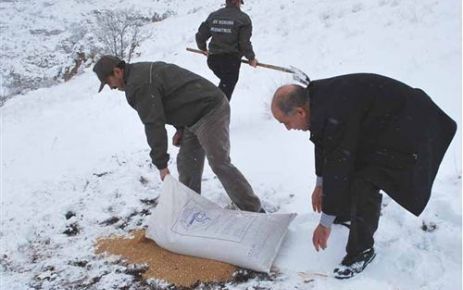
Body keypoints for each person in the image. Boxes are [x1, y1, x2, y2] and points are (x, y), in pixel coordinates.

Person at [270, 73, 456, 279]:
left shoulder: (333, 113)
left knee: (366, 178)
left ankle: (362, 251)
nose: (287, 128)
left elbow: (338, 165)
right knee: (353, 164)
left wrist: (325, 223)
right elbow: (324, 143)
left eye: (285, 122)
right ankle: (346, 212)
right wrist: (320, 183)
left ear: (300, 112)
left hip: (413, 126)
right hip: (387, 122)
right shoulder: (318, 101)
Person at [93, 55, 264, 213]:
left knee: (219, 162)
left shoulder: (140, 84)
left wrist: (162, 165)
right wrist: (180, 128)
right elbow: (173, 97)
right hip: (192, 116)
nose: (112, 87)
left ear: (117, 71)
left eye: (109, 83)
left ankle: (254, 210)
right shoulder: (138, 74)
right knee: (188, 163)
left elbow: (154, 124)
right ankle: (191, 210)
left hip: (210, 109)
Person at [195, 0, 257, 101]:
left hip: (213, 60)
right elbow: (244, 43)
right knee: (224, 93)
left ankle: (210, 106)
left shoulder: (214, 16)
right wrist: (251, 58)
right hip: (230, 62)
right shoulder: (243, 19)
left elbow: (200, 36)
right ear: (237, 2)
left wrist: (203, 48)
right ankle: (213, 111)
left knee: (225, 86)